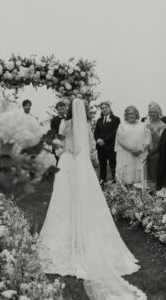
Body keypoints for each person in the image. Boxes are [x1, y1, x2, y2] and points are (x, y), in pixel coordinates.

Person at [38, 99, 147, 300]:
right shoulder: (86, 125)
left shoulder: (65, 123)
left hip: (68, 162)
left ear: (70, 110)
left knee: (64, 200)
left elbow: (59, 146)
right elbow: (89, 146)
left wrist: (62, 154)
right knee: (85, 197)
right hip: (82, 164)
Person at [115, 106, 150, 186]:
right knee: (127, 177)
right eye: (128, 114)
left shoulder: (143, 125)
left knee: (140, 178)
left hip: (141, 154)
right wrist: (132, 150)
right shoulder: (121, 126)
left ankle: (140, 196)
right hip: (127, 154)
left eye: (132, 113)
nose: (130, 115)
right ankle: (127, 195)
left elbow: (147, 139)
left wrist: (140, 150)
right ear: (126, 115)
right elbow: (120, 140)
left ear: (136, 114)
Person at [94, 101, 120, 184]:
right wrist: (98, 140)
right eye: (102, 108)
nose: (104, 109)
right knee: (102, 165)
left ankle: (115, 181)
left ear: (109, 108)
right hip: (100, 147)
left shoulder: (116, 119)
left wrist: (105, 141)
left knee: (113, 165)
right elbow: (96, 132)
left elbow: (115, 132)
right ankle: (102, 181)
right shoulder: (99, 120)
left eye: (106, 107)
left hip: (111, 146)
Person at [142, 103, 166, 189]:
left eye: (154, 112)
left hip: (156, 151)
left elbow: (161, 142)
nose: (152, 114)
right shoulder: (146, 123)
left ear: (159, 113)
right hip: (145, 149)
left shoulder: (162, 125)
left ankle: (156, 187)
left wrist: (152, 131)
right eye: (151, 112)